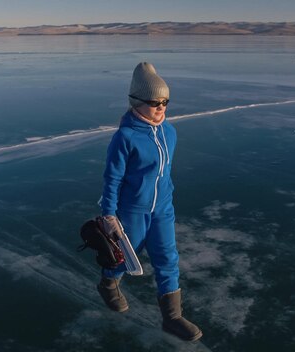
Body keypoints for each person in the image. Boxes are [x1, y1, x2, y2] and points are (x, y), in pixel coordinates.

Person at [97, 62, 202, 342]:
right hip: (132, 210)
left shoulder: (170, 132)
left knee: (168, 258)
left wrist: (166, 198)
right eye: (155, 102)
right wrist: (109, 215)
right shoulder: (125, 138)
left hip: (162, 209)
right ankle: (108, 283)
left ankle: (173, 318)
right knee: (123, 258)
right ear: (137, 102)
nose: (162, 107)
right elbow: (113, 178)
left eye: (165, 101)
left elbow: (164, 171)